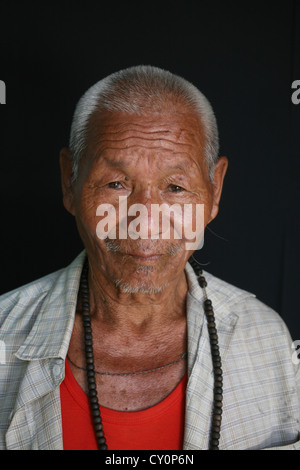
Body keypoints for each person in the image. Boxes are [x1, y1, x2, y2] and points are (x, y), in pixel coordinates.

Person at [0, 66, 299, 451]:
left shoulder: (266, 341)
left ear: (215, 189)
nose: (145, 220)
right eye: (116, 184)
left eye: (175, 187)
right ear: (69, 181)